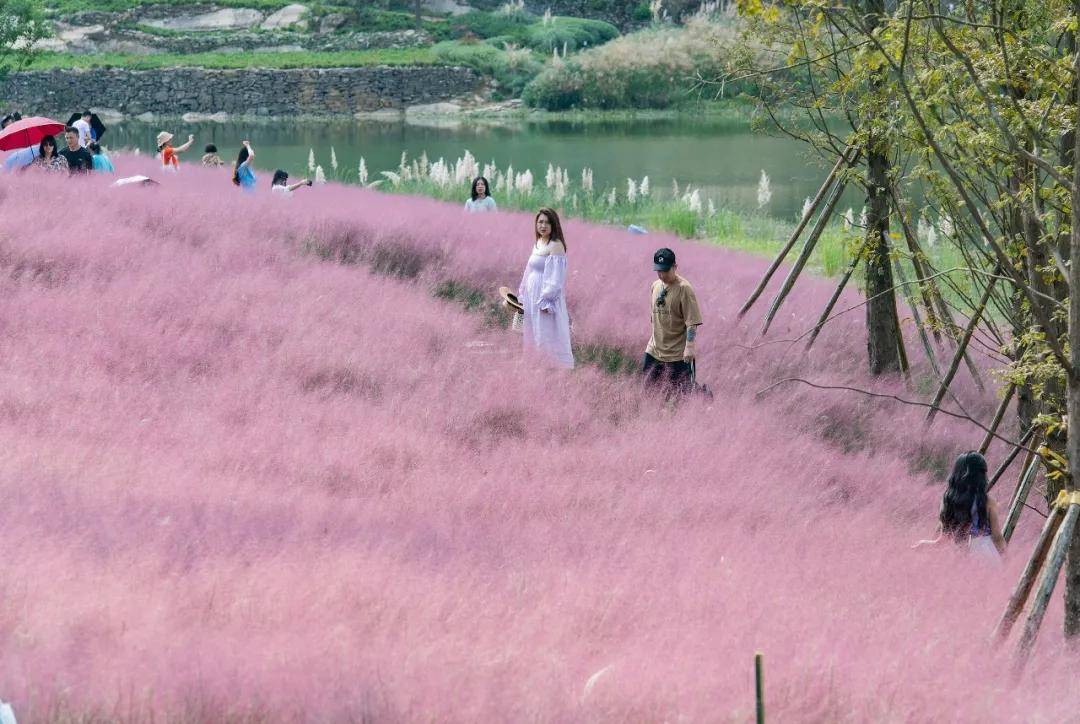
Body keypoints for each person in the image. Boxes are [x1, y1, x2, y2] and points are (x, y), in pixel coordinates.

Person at [914, 451, 1006, 558]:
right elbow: (997, 537)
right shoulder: (987, 500)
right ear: (981, 475)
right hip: (986, 553)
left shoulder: (949, 499)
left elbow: (942, 540)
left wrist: (924, 543)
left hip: (961, 555)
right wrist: (1007, 558)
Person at [517, 208, 573, 369]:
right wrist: (522, 293)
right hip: (531, 294)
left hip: (545, 299)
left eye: (547, 222)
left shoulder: (556, 246)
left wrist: (546, 299)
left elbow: (556, 279)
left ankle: (549, 367)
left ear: (554, 225)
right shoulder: (538, 243)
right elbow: (529, 270)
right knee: (533, 329)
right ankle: (535, 366)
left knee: (546, 332)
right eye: (540, 222)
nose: (543, 225)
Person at [643, 247, 702, 394]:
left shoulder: (684, 289)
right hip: (654, 350)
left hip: (677, 354)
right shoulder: (655, 286)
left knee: (680, 394)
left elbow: (692, 321)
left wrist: (689, 347)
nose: (661, 275)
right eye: (658, 271)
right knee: (648, 390)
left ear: (675, 267)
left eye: (665, 271)